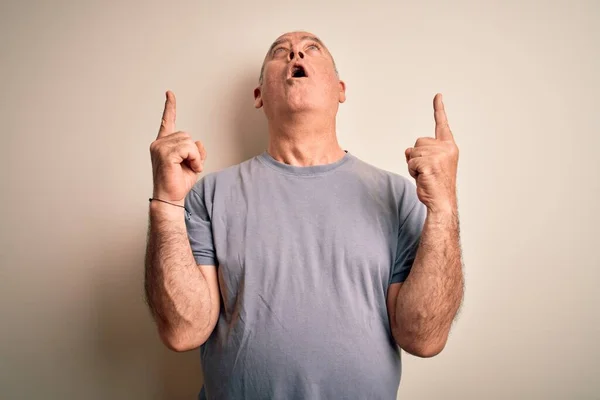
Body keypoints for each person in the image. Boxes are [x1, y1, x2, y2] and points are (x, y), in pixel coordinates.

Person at [145, 31, 464, 399]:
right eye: (280, 52)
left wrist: (443, 208)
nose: (295, 52)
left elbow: (423, 338)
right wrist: (167, 203)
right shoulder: (210, 194)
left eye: (312, 48)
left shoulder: (396, 195)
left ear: (340, 88)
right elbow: (183, 331)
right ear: (259, 95)